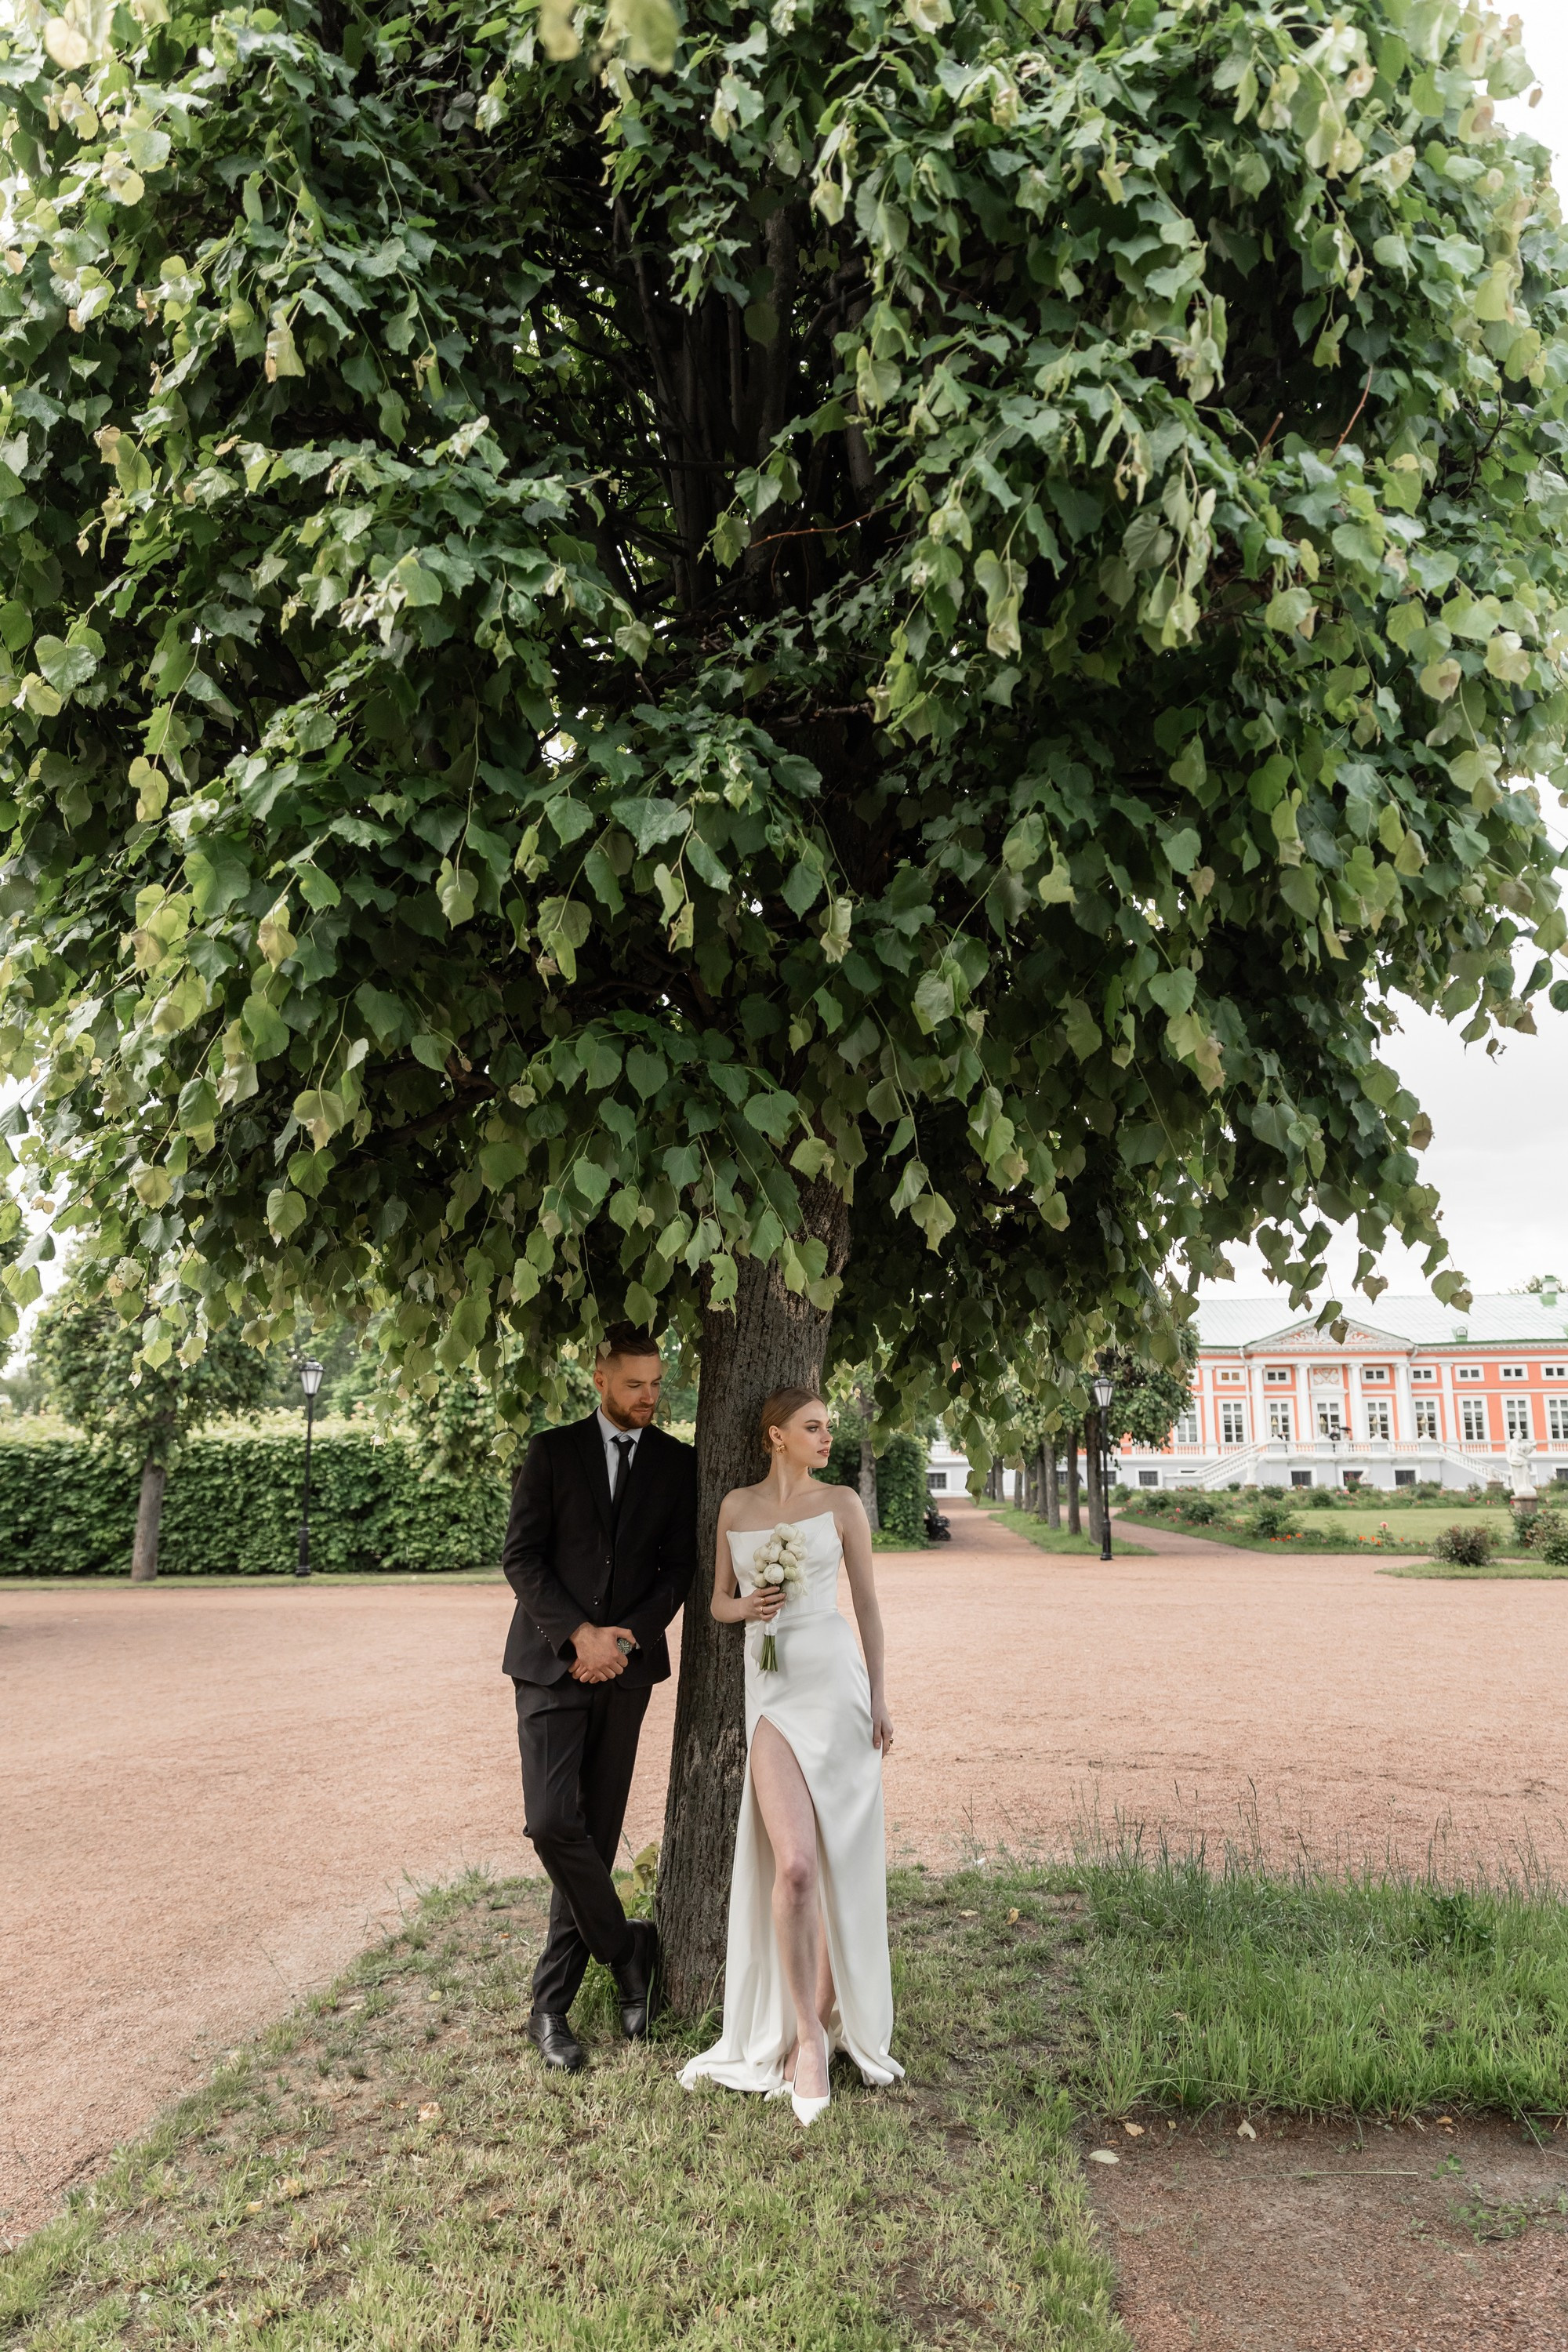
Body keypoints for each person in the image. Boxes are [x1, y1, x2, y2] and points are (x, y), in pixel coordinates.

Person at [679, 1386, 902, 2125]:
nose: (826, 1436)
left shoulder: (841, 1503)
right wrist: (745, 1608)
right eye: (813, 1427)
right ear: (775, 1435)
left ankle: (826, 2024)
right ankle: (804, 2033)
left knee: (838, 1858)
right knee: (797, 1866)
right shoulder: (736, 1509)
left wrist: (881, 1698)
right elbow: (715, 1602)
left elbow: (866, 1605)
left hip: (838, 1691)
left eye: (829, 1427)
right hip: (770, 1696)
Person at [502, 1323, 696, 2073]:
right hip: (549, 1667)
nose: (649, 1397)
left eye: (656, 1384)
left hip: (627, 1671)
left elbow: (678, 1568)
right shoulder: (553, 1453)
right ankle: (626, 1945)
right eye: (634, 1384)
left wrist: (623, 1641)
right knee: (553, 1824)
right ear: (600, 1379)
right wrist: (577, 1634)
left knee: (597, 1833)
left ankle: (549, 2008)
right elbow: (520, 1555)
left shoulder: (679, 1464)